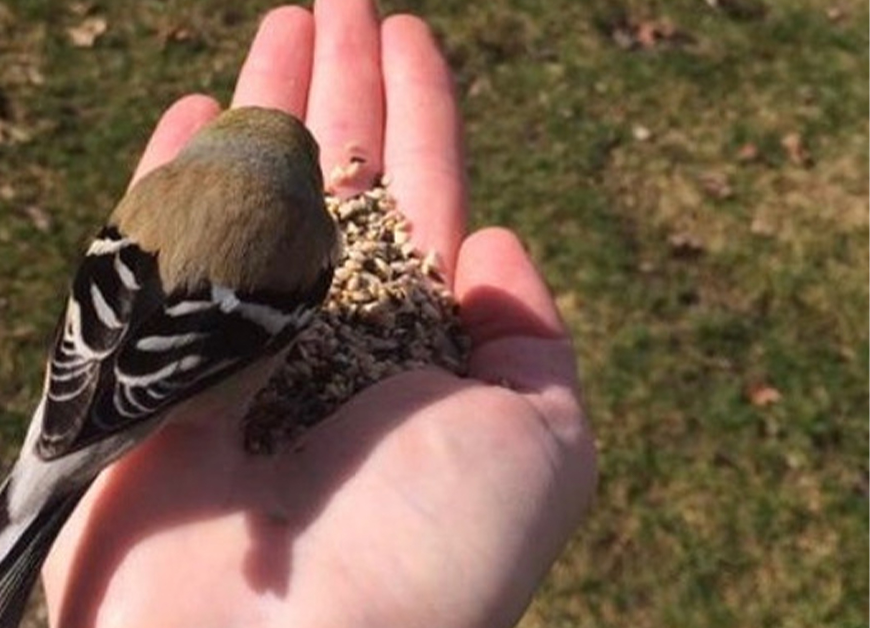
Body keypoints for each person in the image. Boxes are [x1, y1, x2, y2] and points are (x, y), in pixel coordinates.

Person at [39, 1, 598, 626]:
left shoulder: (158, 192)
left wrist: (76, 386)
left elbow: (106, 292)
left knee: (53, 469)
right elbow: (218, 334)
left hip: (95, 334)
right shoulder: (302, 238)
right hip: (180, 382)